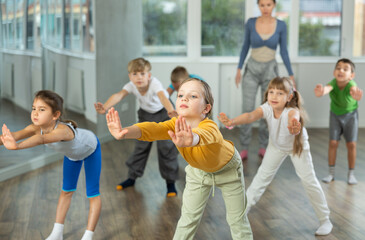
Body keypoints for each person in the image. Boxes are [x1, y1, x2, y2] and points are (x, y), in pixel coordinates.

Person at [106, 78, 253, 240]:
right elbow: (153, 129)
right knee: (188, 219)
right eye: (181, 95)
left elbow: (205, 136)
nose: (184, 98)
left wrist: (192, 139)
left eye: (193, 96)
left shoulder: (210, 126)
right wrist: (124, 131)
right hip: (198, 172)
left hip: (228, 171)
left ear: (206, 108)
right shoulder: (175, 123)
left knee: (237, 220)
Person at [219, 77, 333, 236]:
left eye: (280, 93)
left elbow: (294, 117)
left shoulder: (291, 111)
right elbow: (251, 116)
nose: (274, 96)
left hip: (296, 147)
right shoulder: (267, 107)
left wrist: (294, 128)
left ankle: (325, 219)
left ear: (289, 97)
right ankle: (241, 212)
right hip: (276, 146)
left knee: (309, 181)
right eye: (271, 92)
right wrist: (232, 121)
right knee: (261, 178)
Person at [0, 90, 101, 240]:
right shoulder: (35, 127)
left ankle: (88, 235)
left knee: (92, 193)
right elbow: (13, 136)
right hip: (72, 156)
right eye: (34, 108)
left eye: (42, 110)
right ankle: (57, 233)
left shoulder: (63, 131)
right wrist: (7, 140)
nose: (35, 113)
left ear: (55, 115)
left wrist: (17, 147)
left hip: (91, 149)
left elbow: (42, 139)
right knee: (66, 191)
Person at [94, 57, 179, 197]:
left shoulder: (155, 84)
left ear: (149, 75)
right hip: (146, 115)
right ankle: (131, 178)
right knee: (141, 147)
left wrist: (171, 110)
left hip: (164, 113)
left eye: (142, 74)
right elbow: (119, 95)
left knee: (166, 148)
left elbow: (163, 97)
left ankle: (171, 183)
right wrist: (105, 107)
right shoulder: (131, 85)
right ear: (130, 76)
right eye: (135, 74)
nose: (139, 77)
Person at [235, 0, 295, 160]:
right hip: (252, 70)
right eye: (262, 5)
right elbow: (245, 46)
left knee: (268, 109)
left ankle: (264, 146)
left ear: (274, 5)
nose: (265, 8)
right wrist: (239, 69)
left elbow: (284, 52)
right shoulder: (251, 23)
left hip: (270, 71)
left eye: (268, 4)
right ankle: (244, 147)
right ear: (258, 6)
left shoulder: (281, 25)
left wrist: (291, 75)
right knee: (247, 108)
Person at [314, 58, 363, 185]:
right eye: (338, 68)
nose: (340, 70)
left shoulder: (352, 85)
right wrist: (321, 92)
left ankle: (351, 174)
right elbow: (326, 89)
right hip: (335, 115)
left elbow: (354, 91)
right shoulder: (333, 83)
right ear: (334, 71)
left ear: (351, 75)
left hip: (351, 116)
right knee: (333, 143)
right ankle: (331, 173)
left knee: (351, 144)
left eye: (345, 69)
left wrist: (356, 96)